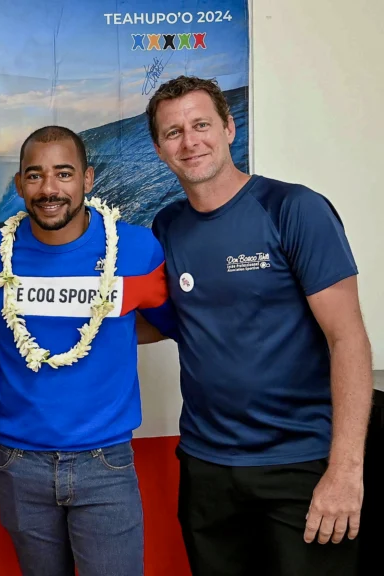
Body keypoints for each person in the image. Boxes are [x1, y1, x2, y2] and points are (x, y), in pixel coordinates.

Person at [147, 75, 374, 575]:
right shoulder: (167, 226)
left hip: (300, 466)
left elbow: (348, 337)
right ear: (159, 149)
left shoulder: (293, 209)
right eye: (173, 132)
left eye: (201, 124)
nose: (190, 141)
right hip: (206, 467)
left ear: (230, 128)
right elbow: (162, 319)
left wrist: (346, 470)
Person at [0, 126, 176, 576]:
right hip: (20, 465)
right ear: (19, 185)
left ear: (87, 179)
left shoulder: (135, 249)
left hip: (105, 464)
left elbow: (170, 323)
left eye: (64, 173)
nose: (49, 189)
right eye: (35, 176)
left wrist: (106, 336)